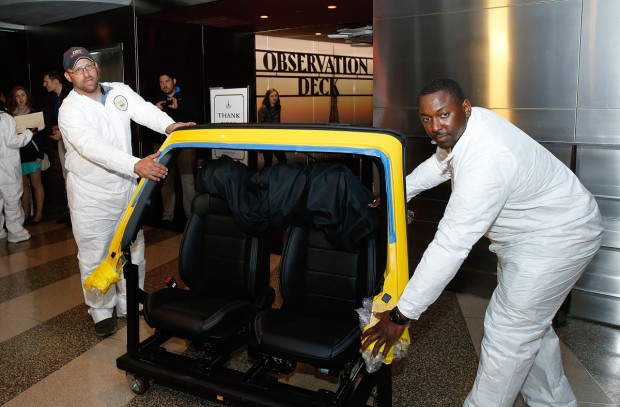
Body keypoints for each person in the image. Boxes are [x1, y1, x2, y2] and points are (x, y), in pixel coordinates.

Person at [361, 78, 604, 406]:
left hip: (557, 239)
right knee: (530, 329)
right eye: (427, 118)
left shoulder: (487, 160)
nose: (435, 126)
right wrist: (395, 193)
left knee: (508, 335)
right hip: (531, 237)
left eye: (443, 114)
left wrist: (402, 315)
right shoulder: (470, 127)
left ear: (465, 107)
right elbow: (440, 165)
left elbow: (450, 246)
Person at [58, 47, 195, 337]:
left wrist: (171, 126)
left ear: (96, 67)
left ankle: (129, 301)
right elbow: (91, 147)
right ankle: (101, 310)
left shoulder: (117, 91)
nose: (86, 73)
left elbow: (144, 110)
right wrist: (136, 165)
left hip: (125, 189)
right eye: (78, 69)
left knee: (134, 249)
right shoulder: (70, 110)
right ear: (69, 76)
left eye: (89, 66)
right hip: (91, 196)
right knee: (95, 254)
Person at [152, 71, 197, 228]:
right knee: (165, 181)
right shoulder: (156, 100)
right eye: (161, 82)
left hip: (184, 145)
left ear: (174, 81)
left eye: (167, 81)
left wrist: (179, 108)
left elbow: (193, 119)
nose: (164, 84)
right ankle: (167, 216)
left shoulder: (187, 97)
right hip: (163, 146)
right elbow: (149, 124)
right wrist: (154, 110)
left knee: (188, 181)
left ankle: (191, 216)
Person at [7, 86, 46, 224]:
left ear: (27, 96)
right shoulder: (10, 116)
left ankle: (39, 213)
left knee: (36, 184)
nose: (20, 98)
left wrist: (40, 154)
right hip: (17, 155)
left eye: (23, 95)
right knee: (23, 187)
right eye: (17, 96)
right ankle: (26, 214)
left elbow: (41, 136)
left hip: (33, 154)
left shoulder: (34, 113)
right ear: (14, 99)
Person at [43, 70, 72, 224]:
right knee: (65, 174)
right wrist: (58, 129)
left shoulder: (70, 97)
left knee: (72, 174)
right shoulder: (56, 100)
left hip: (72, 143)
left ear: (55, 82)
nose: (44, 84)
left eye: (46, 81)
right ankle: (70, 210)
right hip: (62, 141)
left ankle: (75, 212)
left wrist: (63, 131)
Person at [0, 110, 34, 243]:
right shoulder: (5, 118)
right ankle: (16, 232)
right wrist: (28, 132)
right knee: (12, 198)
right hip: (7, 165)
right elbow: (13, 141)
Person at [258, 88, 287, 167]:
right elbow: (260, 125)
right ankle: (266, 178)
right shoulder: (263, 109)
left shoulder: (278, 107)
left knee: (283, 160)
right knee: (268, 162)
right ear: (268, 97)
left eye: (276, 96)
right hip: (266, 139)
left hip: (276, 138)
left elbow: (277, 123)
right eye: (272, 96)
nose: (274, 98)